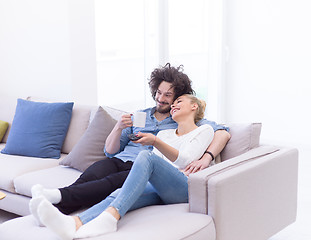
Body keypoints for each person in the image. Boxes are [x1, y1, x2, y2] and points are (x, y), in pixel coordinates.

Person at [30, 63, 230, 222]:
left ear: (178, 99)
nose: (161, 99)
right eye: (159, 93)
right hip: (119, 159)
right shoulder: (140, 115)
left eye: (168, 95)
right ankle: (55, 209)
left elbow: (223, 132)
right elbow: (109, 151)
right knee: (92, 174)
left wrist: (207, 157)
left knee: (107, 184)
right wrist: (118, 127)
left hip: (141, 168)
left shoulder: (181, 118)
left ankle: (54, 203)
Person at [33, 94, 216, 240]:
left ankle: (106, 217)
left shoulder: (205, 130)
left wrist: (155, 141)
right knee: (122, 192)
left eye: (179, 101)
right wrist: (156, 140)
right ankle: (75, 223)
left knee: (146, 156)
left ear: (194, 106)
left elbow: (184, 160)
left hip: (183, 187)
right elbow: (159, 165)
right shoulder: (165, 133)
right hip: (161, 188)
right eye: (173, 103)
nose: (173, 105)